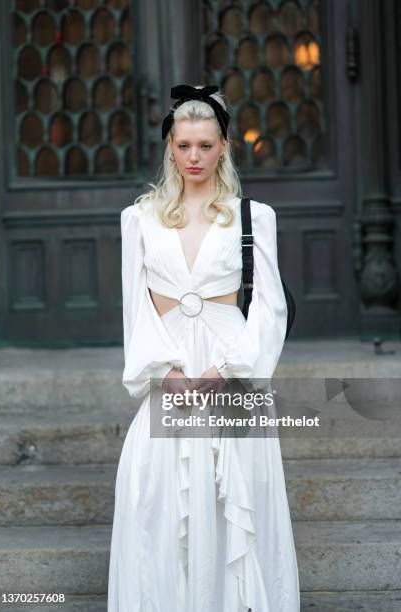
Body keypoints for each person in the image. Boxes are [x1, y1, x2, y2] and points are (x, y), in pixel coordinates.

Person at [107, 84, 300, 612]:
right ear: (170, 146)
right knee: (158, 497)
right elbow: (135, 306)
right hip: (169, 369)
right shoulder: (139, 218)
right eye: (185, 144)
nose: (195, 157)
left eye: (206, 145)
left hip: (229, 369)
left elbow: (269, 308)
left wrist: (228, 369)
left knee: (234, 495)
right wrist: (162, 370)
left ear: (225, 147)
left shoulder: (252, 217)